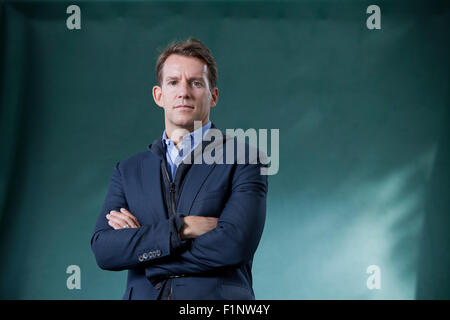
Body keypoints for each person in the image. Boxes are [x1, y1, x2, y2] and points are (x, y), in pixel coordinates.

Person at [90, 37, 269, 300]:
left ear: (214, 96)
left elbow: (234, 245)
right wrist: (182, 228)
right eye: (173, 82)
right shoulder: (128, 170)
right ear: (159, 95)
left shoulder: (245, 159)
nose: (183, 92)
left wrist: (143, 255)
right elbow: (105, 250)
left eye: (196, 83)